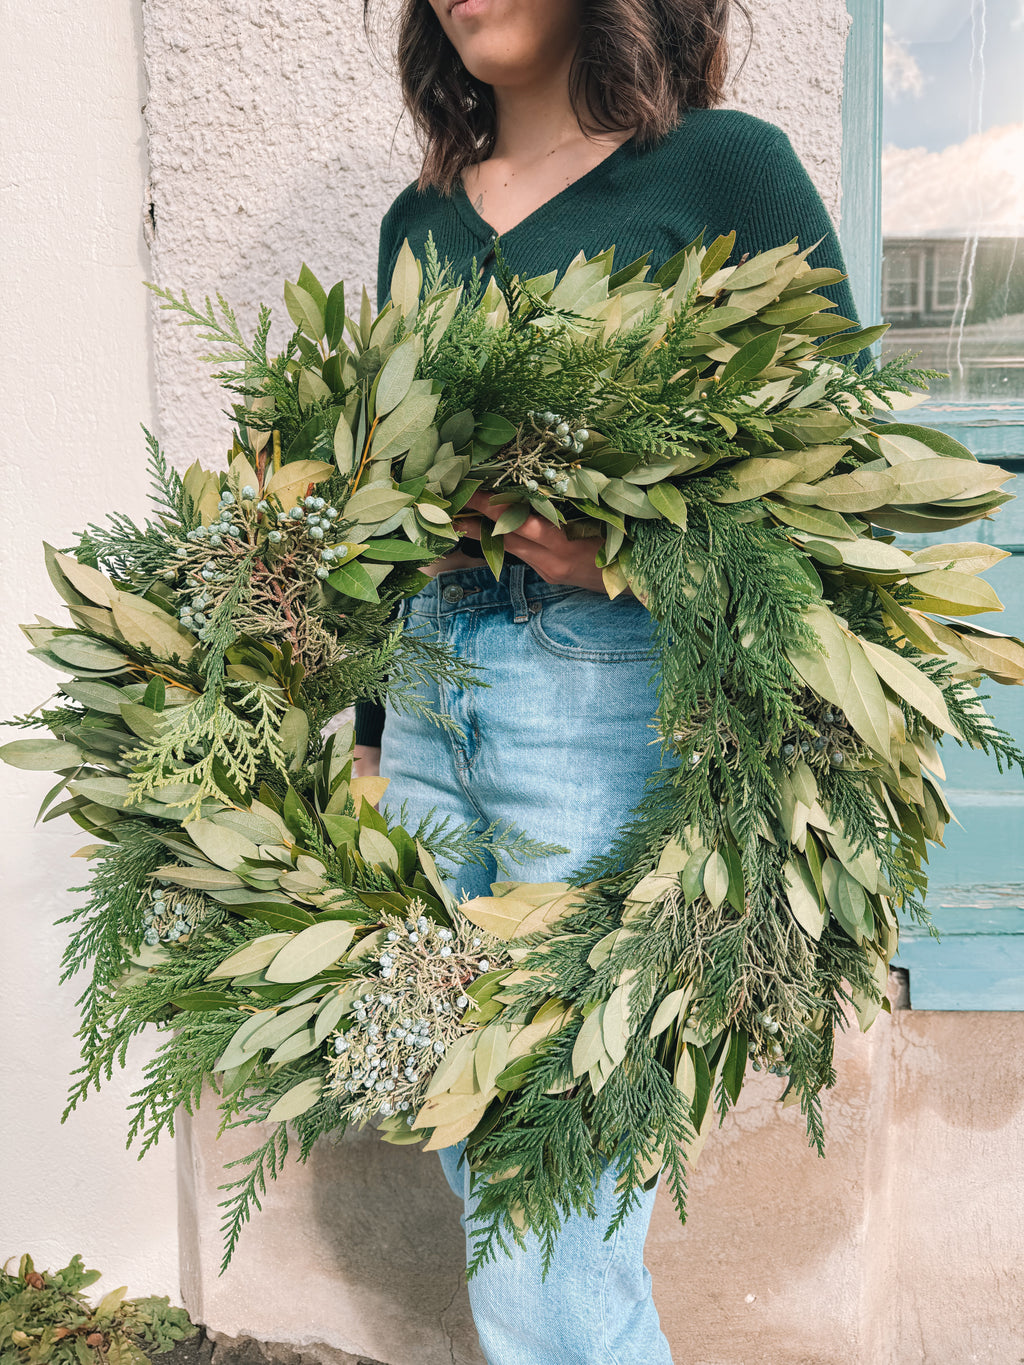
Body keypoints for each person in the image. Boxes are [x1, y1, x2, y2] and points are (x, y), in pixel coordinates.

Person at [354, 2, 862, 1360]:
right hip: (426, 698)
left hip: (603, 704)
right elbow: (383, 489)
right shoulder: (418, 224)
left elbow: (841, 468)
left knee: (552, 1205)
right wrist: (369, 734)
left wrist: (636, 551)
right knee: (467, 1127)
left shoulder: (721, 170)